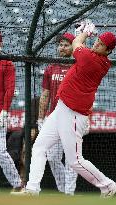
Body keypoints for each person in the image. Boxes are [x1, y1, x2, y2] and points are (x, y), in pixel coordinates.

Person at [21, 20, 116, 197]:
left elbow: (76, 43)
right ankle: (32, 189)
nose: (97, 44)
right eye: (98, 41)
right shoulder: (93, 55)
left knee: (74, 161)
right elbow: (79, 45)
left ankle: (108, 185)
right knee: (39, 148)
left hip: (73, 115)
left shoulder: (93, 60)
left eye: (102, 45)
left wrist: (85, 33)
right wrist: (85, 33)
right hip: (61, 109)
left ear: (108, 51)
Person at [37, 33, 77, 195]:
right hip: (53, 118)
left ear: (73, 46)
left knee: (71, 160)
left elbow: (88, 92)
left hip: (73, 118)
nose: (62, 47)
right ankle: (63, 188)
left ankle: (69, 193)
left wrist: (87, 117)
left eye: (66, 44)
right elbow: (45, 94)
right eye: (60, 45)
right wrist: (41, 117)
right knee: (52, 157)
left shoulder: (78, 66)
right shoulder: (51, 67)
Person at [0, 31, 23, 193]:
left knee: (0, 152)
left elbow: (9, 89)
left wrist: (4, 112)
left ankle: (18, 184)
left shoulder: (6, 63)